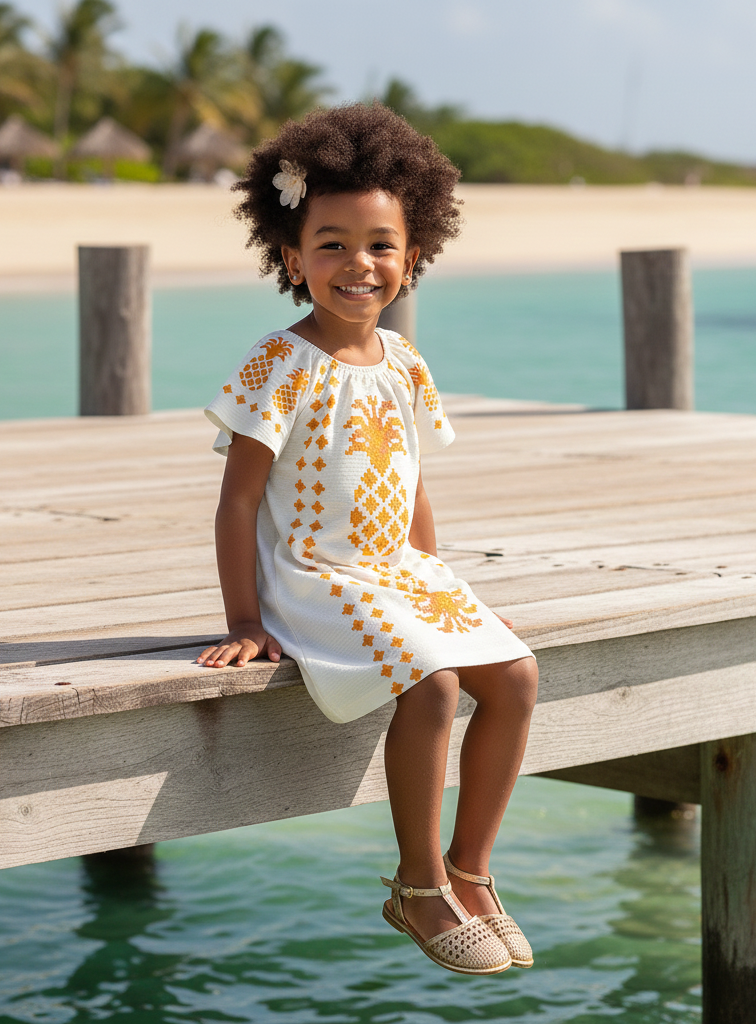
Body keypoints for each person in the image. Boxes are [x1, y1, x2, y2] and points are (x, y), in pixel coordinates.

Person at [197, 104, 539, 976]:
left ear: (413, 255)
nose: (360, 264)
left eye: (381, 245)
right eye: (333, 244)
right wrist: (246, 618)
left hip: (396, 570)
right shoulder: (279, 363)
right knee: (431, 684)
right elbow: (237, 504)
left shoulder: (404, 360)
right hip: (311, 578)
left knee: (516, 676)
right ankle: (418, 885)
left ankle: (472, 868)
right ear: (290, 257)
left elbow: (410, 473)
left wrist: (435, 576)